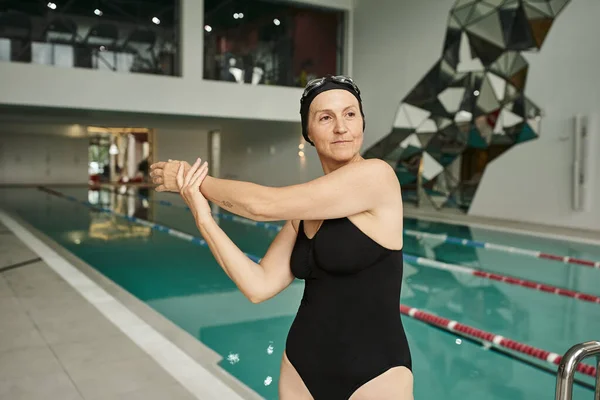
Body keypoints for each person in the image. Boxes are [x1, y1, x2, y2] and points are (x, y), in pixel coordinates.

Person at [149, 75, 413, 400]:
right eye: (325, 117)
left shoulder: (378, 176)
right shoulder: (303, 213)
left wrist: (192, 179)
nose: (341, 127)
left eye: (350, 114)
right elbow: (258, 286)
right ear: (309, 133)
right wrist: (203, 217)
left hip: (375, 374)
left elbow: (262, 206)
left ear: (362, 122)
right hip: (302, 367)